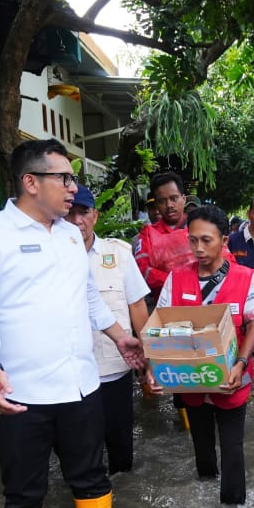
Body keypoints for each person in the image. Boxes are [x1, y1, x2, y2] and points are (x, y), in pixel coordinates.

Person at [0, 139, 146, 508]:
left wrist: (120, 337)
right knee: (23, 491)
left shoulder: (67, 237)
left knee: (92, 478)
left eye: (74, 178)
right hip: (19, 392)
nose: (73, 188)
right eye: (65, 178)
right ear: (30, 182)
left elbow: (90, 296)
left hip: (81, 385)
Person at [152, 205, 254, 505]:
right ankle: (204, 490)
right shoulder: (176, 279)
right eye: (192, 240)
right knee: (201, 444)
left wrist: (241, 362)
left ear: (224, 240)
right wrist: (156, 368)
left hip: (231, 379)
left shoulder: (245, 278)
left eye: (206, 240)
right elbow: (158, 325)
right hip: (191, 381)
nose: (198, 248)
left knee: (232, 447)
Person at [66, 185, 150, 473]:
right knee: (80, 450)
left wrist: (149, 359)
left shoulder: (120, 254)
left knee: (120, 448)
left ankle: (123, 506)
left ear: (95, 216)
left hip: (114, 369)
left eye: (84, 212)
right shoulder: (50, 259)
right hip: (71, 374)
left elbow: (138, 307)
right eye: (70, 212)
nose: (77, 220)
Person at [135, 171, 194, 298]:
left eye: (174, 198)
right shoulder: (148, 234)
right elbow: (143, 270)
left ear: (183, 199)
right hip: (165, 306)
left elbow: (222, 262)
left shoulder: (201, 227)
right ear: (156, 204)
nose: (169, 205)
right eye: (162, 201)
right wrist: (179, 284)